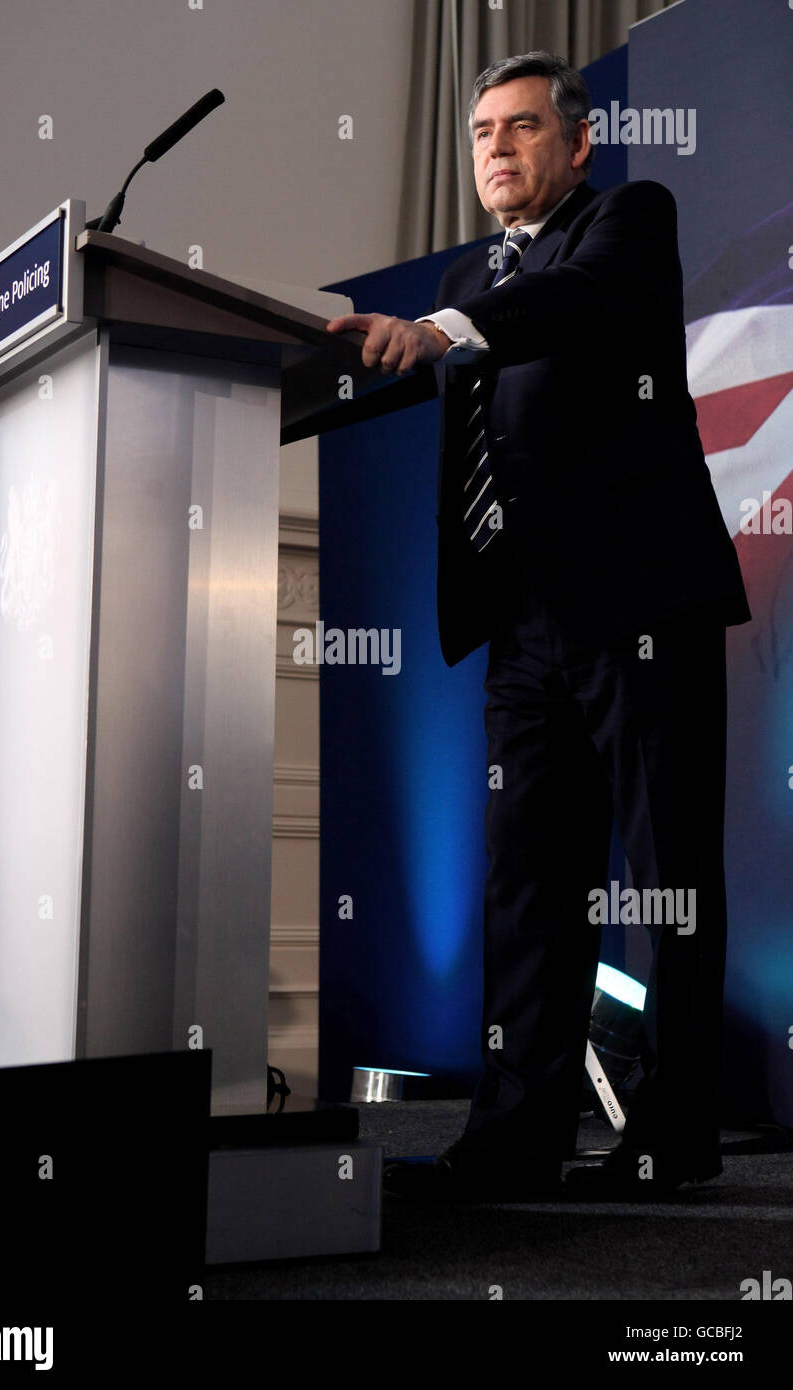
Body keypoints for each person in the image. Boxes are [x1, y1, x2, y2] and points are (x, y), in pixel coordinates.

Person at [325, 51, 749, 1202]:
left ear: (577, 141)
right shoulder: (472, 273)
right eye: (479, 134)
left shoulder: (624, 223)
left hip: (638, 608)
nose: (497, 149)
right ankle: (518, 1133)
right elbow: (433, 371)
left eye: (520, 128)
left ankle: (670, 1135)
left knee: (668, 881)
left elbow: (572, 309)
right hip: (523, 627)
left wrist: (448, 327)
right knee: (526, 887)